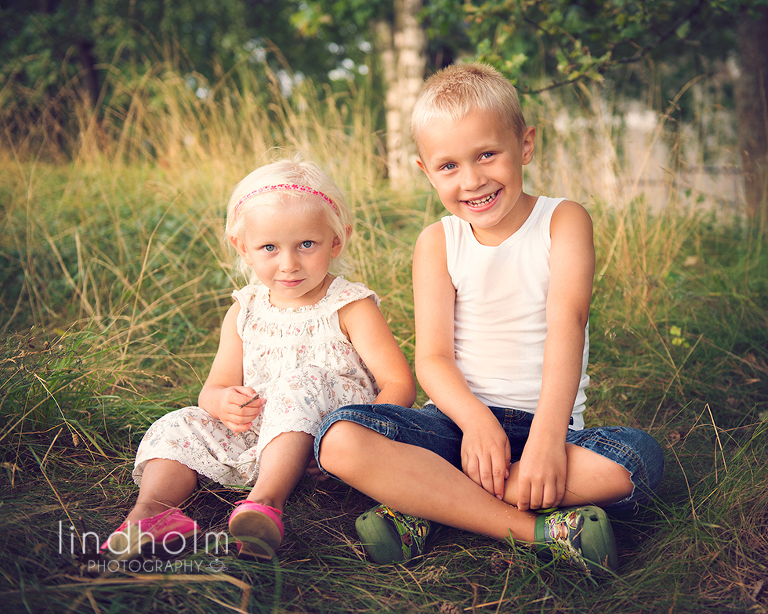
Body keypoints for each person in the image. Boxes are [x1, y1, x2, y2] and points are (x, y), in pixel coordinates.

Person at [314, 63, 665, 575]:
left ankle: (431, 506)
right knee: (339, 439)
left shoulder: (563, 220)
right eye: (449, 166)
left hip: (546, 430)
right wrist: (476, 423)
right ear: (426, 171)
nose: (473, 180)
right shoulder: (438, 243)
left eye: (486, 154)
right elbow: (432, 359)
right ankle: (536, 529)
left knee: (636, 460)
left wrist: (546, 442)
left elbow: (567, 322)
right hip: (454, 426)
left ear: (525, 145)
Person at [101, 159, 416, 561]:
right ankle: (151, 514)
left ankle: (265, 502)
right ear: (243, 248)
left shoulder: (348, 306)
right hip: (262, 434)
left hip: (334, 438)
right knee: (178, 423)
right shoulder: (246, 308)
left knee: (301, 382)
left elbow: (399, 383)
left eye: (306, 244)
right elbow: (212, 388)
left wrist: (366, 435)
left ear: (336, 241)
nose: (288, 263)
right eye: (270, 247)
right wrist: (223, 403)